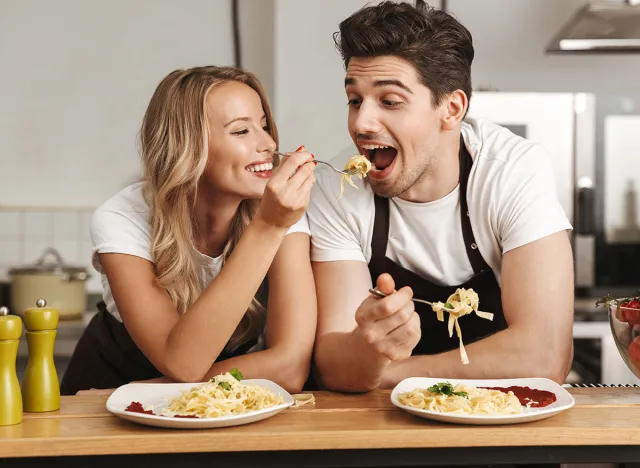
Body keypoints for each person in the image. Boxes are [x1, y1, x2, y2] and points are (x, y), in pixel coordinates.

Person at [307, 0, 575, 392]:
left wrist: (386, 372)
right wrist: (368, 350)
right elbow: (333, 364)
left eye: (389, 101)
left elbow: (545, 357)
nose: (361, 123)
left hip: (504, 428)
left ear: (451, 109)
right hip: (387, 435)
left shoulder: (512, 170)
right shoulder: (336, 188)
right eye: (354, 99)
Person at [60, 66, 317, 395]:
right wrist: (269, 226)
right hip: (106, 401)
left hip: (147, 393)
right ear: (188, 145)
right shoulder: (123, 217)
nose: (268, 144)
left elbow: (290, 368)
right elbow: (183, 361)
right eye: (241, 132)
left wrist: (149, 390)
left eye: (264, 127)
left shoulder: (281, 210)